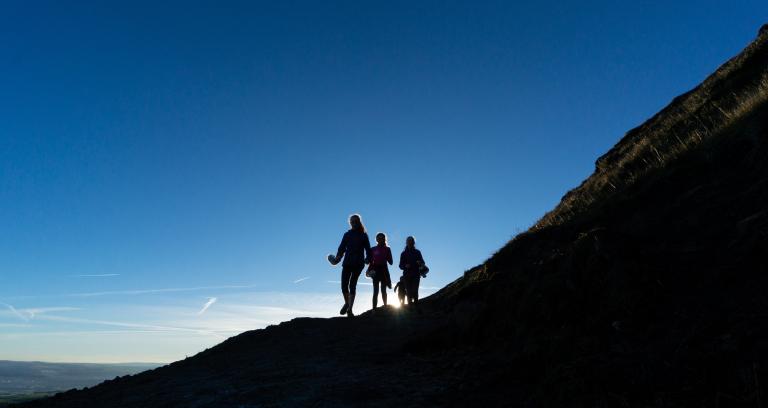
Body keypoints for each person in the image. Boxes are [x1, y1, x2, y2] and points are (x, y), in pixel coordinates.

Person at [332, 214, 371, 317]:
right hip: (347, 262)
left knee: (352, 285)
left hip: (358, 263)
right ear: (350, 223)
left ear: (359, 222)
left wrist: (367, 259)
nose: (354, 223)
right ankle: (347, 303)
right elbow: (341, 248)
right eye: (352, 222)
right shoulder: (347, 234)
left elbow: (368, 250)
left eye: (355, 221)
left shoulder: (363, 235)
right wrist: (337, 258)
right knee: (344, 286)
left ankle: (350, 309)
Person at [399, 236, 426, 308]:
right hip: (407, 275)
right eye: (409, 241)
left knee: (415, 290)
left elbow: (423, 262)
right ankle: (410, 307)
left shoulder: (417, 252)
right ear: (406, 242)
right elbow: (400, 266)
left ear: (414, 242)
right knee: (409, 291)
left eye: (411, 241)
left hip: (416, 274)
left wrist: (420, 262)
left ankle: (416, 305)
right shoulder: (403, 254)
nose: (410, 242)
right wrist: (405, 266)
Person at [369, 232, 393, 310]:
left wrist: (386, 256)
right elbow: (369, 260)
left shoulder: (387, 249)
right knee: (375, 291)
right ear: (376, 239)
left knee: (383, 290)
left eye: (382, 238)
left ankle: (385, 306)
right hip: (375, 270)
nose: (380, 239)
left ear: (384, 239)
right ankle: (374, 309)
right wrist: (369, 269)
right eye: (378, 238)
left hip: (384, 270)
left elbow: (391, 262)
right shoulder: (373, 249)